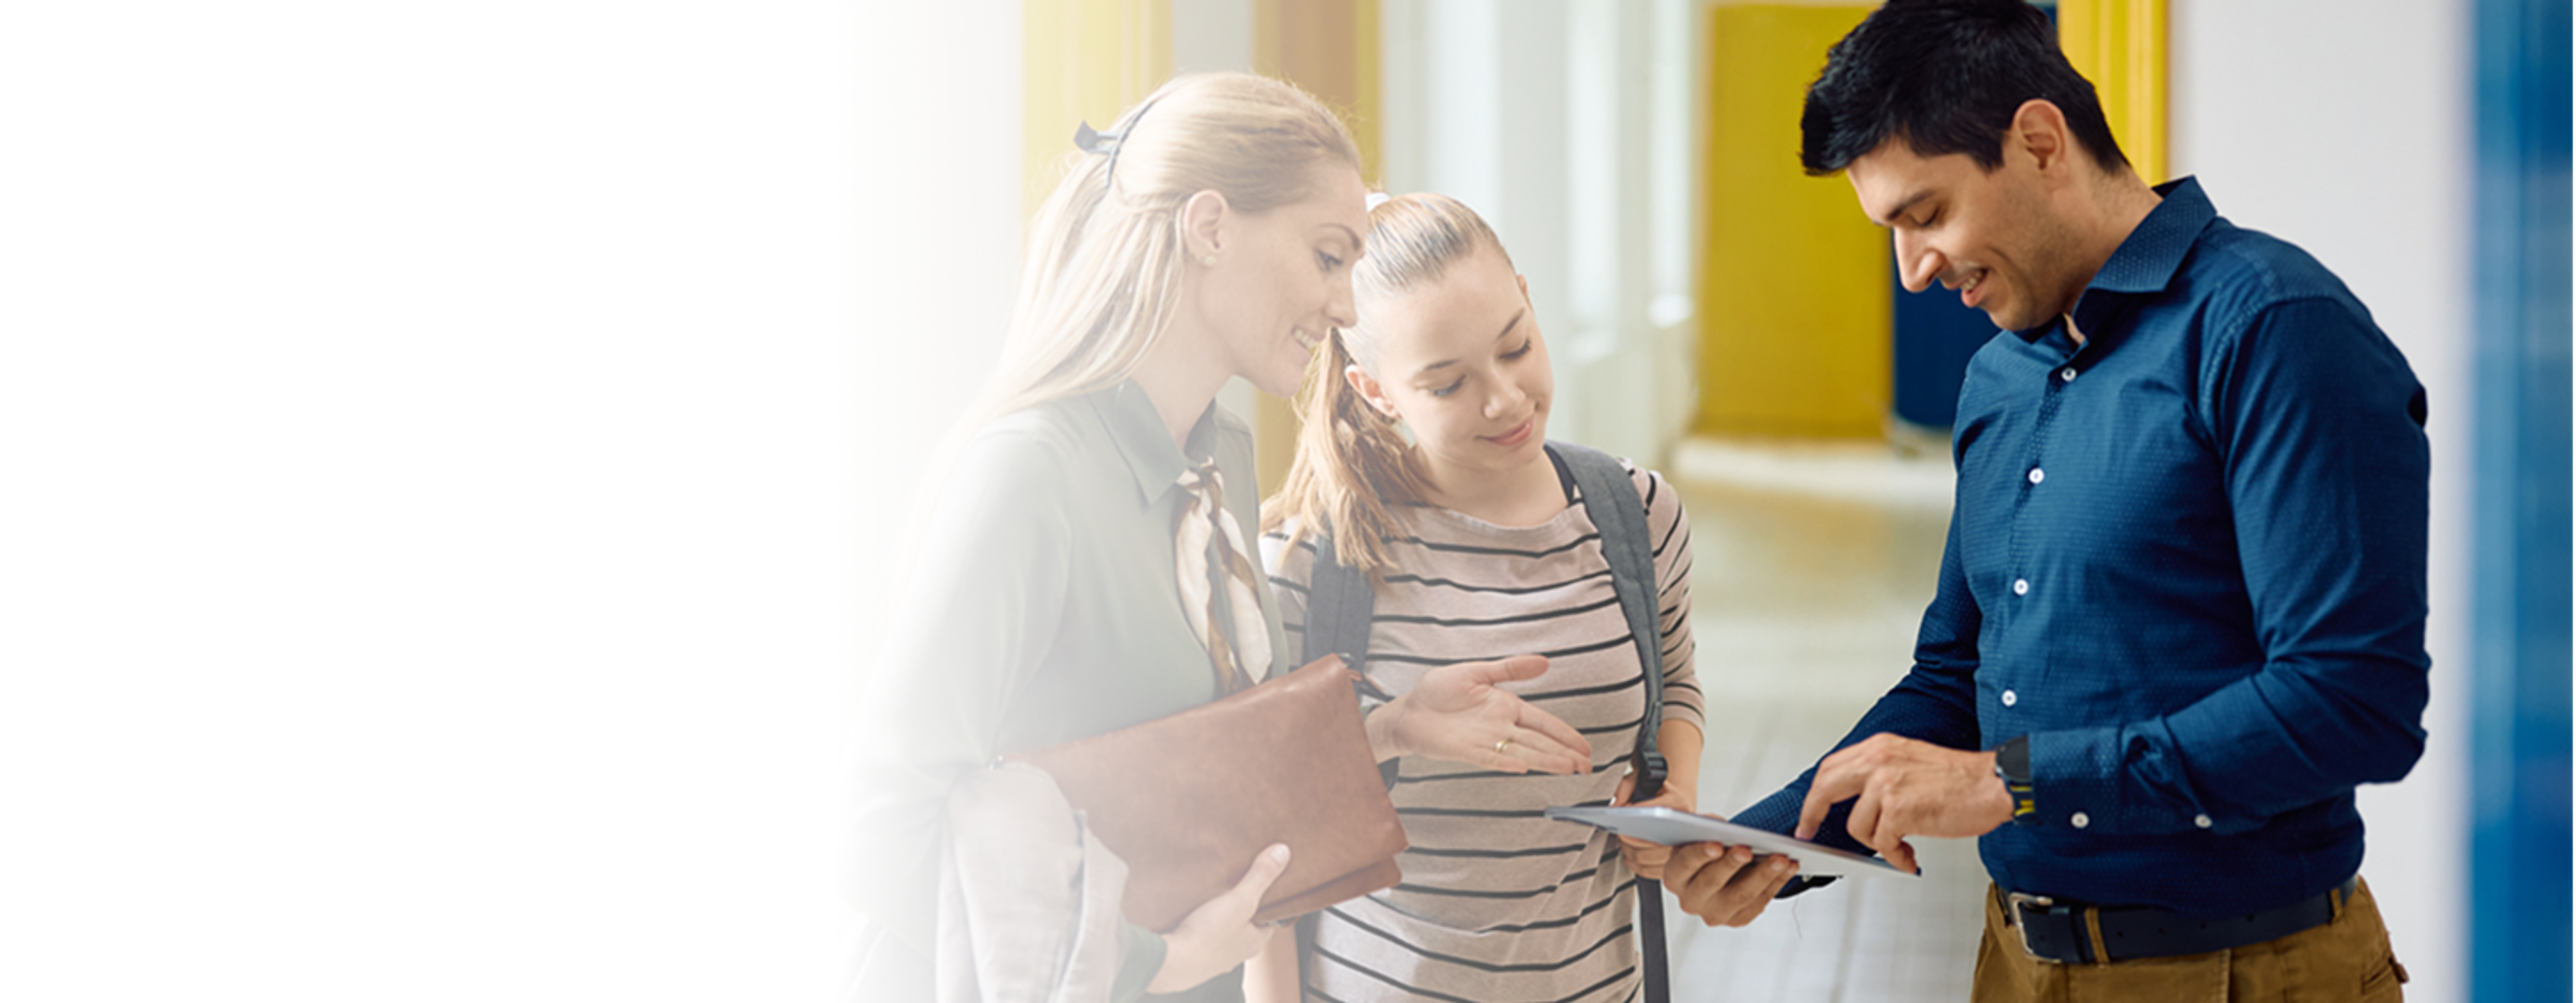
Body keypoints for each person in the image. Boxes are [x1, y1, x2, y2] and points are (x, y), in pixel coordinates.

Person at [1719, 2, 2430, 1000]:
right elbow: (1958, 675)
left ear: (2041, 141)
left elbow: (2355, 702)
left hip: (2239, 973)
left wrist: (2011, 782)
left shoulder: (2274, 328)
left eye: (1926, 215)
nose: (1914, 272)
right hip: (2017, 961)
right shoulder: (1999, 377)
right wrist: (1768, 837)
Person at [848, 73, 1600, 1003]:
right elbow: (878, 827)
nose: (1346, 307)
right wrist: (1154, 963)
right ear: (1209, 227)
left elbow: (1194, 767)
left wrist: (1388, 728)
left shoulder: (1222, 456)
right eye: (1328, 256)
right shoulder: (1031, 474)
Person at [1252, 193, 1799, 1003]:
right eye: (1448, 384)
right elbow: (1259, 815)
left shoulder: (1636, 513)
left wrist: (1671, 792)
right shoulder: (1314, 555)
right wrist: (1392, 727)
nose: (1505, 399)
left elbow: (1675, 679)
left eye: (1516, 346)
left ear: (1528, 297)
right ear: (1376, 392)